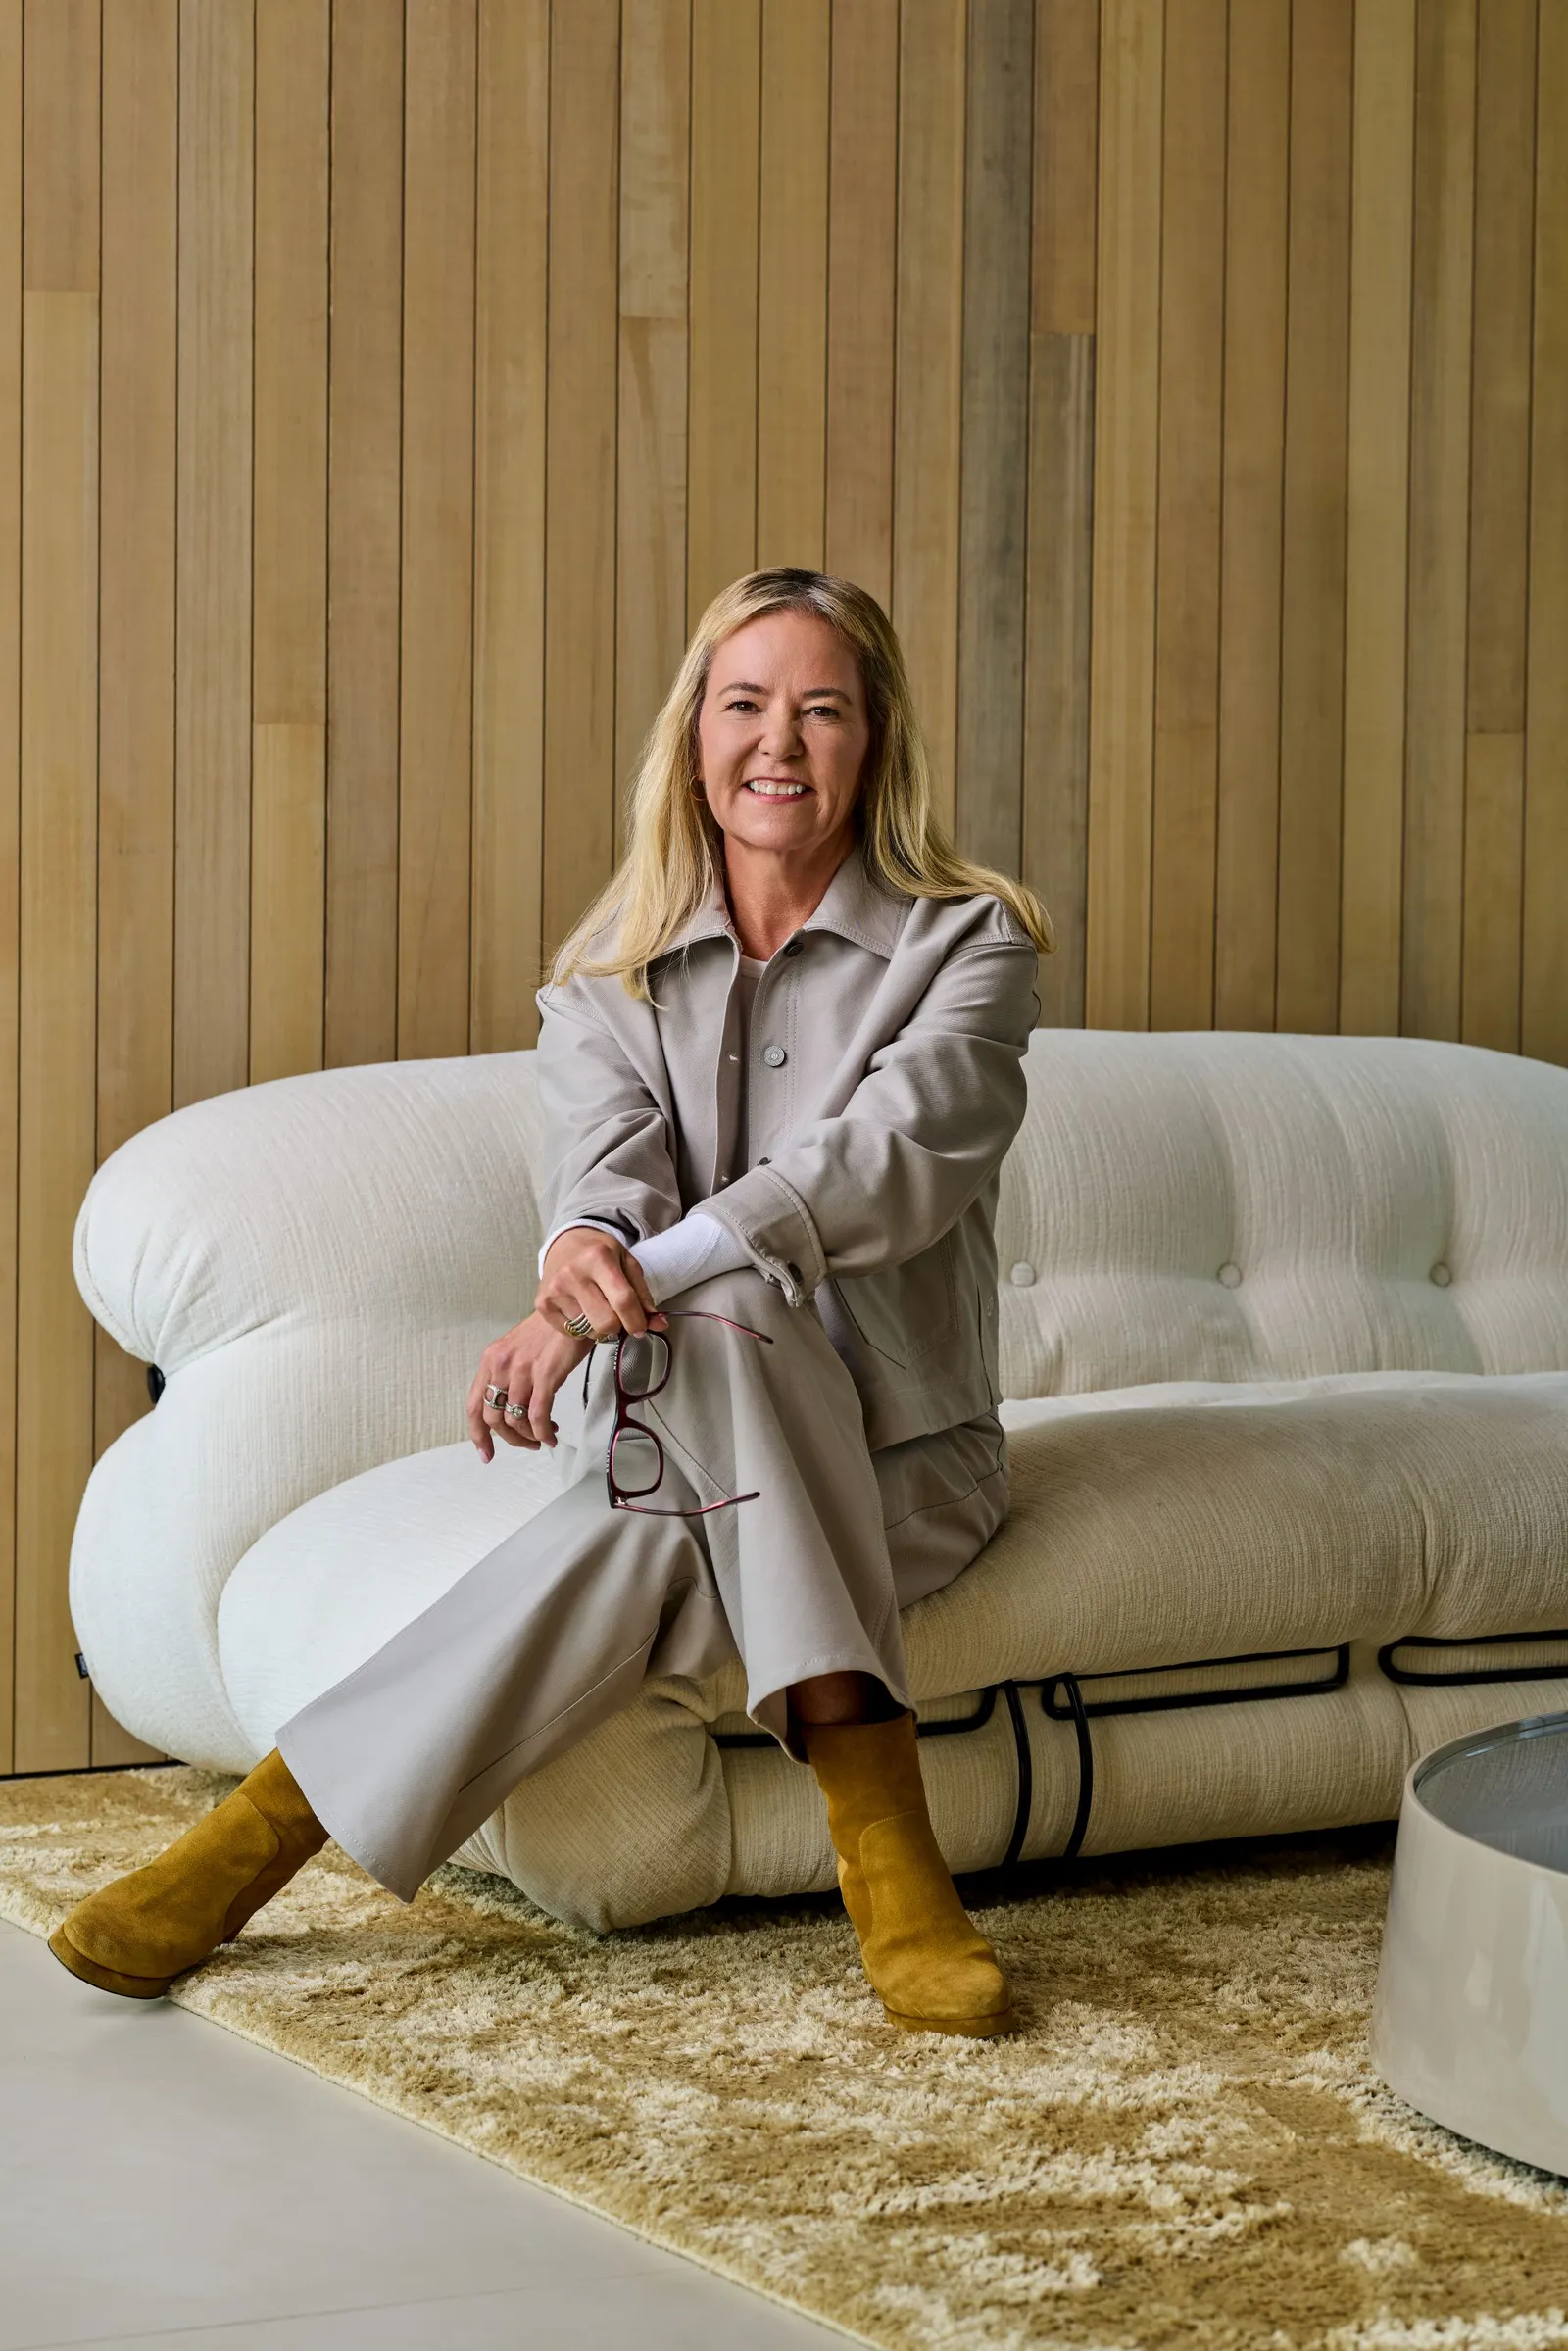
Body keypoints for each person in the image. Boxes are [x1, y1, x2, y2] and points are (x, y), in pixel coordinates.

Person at [49, 569, 1052, 2036]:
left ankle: (259, 1835)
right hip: (668, 1446)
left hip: (909, 1465)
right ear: (695, 736)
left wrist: (616, 1288)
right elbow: (600, 1175)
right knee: (712, 1331)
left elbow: (882, 1171)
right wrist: (586, 1246)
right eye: (746, 704)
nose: (781, 741)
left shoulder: (971, 945)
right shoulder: (607, 980)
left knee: (709, 1344)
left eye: (823, 709)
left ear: (877, 738)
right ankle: (888, 1851)